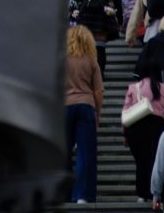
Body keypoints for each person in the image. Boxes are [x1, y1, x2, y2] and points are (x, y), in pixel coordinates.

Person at [122, 52, 164, 202]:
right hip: (156, 128)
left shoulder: (133, 88)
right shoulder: (163, 88)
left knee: (141, 162)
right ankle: (155, 192)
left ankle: (141, 194)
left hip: (136, 129)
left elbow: (126, 113)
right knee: (156, 161)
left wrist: (125, 134)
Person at [64, 23, 102, 205]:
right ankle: (82, 195)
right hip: (86, 105)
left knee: (63, 152)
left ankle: (62, 192)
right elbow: (98, 91)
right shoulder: (91, 60)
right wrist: (98, 112)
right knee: (85, 153)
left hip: (64, 106)